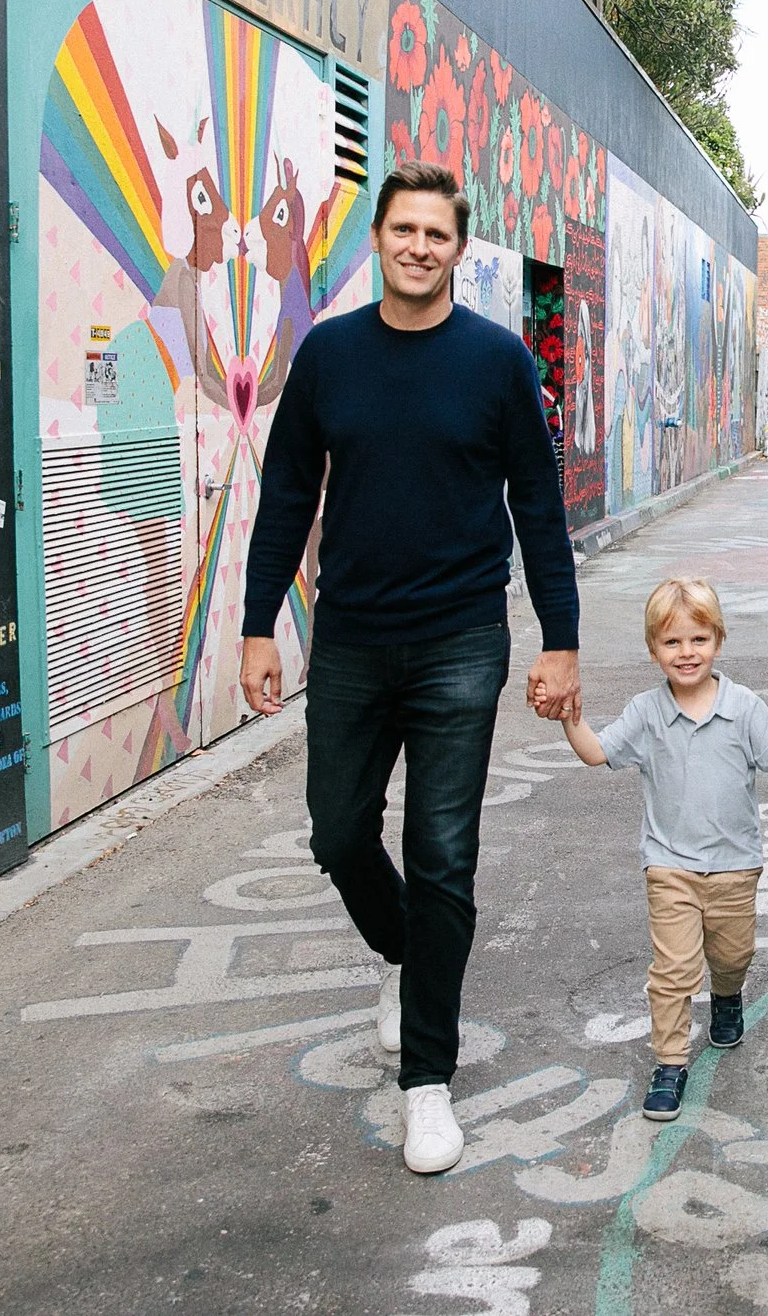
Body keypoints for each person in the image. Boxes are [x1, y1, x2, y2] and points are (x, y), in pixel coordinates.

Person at [237, 160, 581, 1176]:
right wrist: (260, 623)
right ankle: (402, 953)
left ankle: (425, 1079)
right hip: (348, 637)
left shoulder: (499, 361)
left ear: (458, 249)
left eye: (438, 233)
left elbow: (539, 508)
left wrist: (561, 639)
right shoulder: (330, 356)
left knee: (443, 855)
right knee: (338, 830)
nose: (420, 247)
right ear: (377, 239)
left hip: (461, 641)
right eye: (404, 230)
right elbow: (288, 494)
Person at [559, 577, 768, 1121]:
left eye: (698, 639)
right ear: (654, 649)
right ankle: (670, 1063)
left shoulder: (743, 706)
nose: (686, 653)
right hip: (670, 866)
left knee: (732, 955)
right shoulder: (647, 711)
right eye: (672, 643)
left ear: (717, 641)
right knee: (673, 971)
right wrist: (569, 718)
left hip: (735, 867)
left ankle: (727, 999)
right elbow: (596, 753)